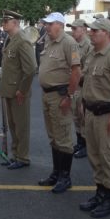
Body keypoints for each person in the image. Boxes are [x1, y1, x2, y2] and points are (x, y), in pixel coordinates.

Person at [78, 19, 110, 217]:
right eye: (91, 30)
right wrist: (83, 105)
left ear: (107, 34)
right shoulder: (92, 54)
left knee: (109, 157)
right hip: (91, 113)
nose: (91, 33)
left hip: (107, 114)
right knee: (95, 156)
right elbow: (88, 83)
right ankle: (100, 194)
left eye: (95, 31)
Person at [37, 12, 82, 193]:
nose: (46, 27)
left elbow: (76, 72)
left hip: (60, 95)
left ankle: (65, 177)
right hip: (48, 95)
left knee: (63, 137)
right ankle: (56, 173)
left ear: (60, 25)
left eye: (50, 24)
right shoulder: (49, 41)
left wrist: (68, 96)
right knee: (54, 136)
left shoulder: (68, 43)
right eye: (46, 24)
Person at [0, 10, 38, 170]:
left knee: (21, 126)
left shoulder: (22, 40)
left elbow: (31, 69)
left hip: (19, 92)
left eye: (6, 21)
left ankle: (23, 157)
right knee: (13, 125)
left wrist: (22, 90)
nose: (3, 24)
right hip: (9, 89)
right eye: (3, 21)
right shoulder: (10, 39)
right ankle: (15, 155)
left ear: (15, 23)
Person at [67, 19, 92, 159]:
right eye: (72, 28)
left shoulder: (87, 45)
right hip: (74, 85)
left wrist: (75, 78)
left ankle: (86, 145)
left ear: (83, 29)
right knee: (76, 116)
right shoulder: (74, 44)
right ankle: (80, 142)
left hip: (82, 85)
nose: (73, 31)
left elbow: (86, 69)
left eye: (75, 29)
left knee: (83, 116)